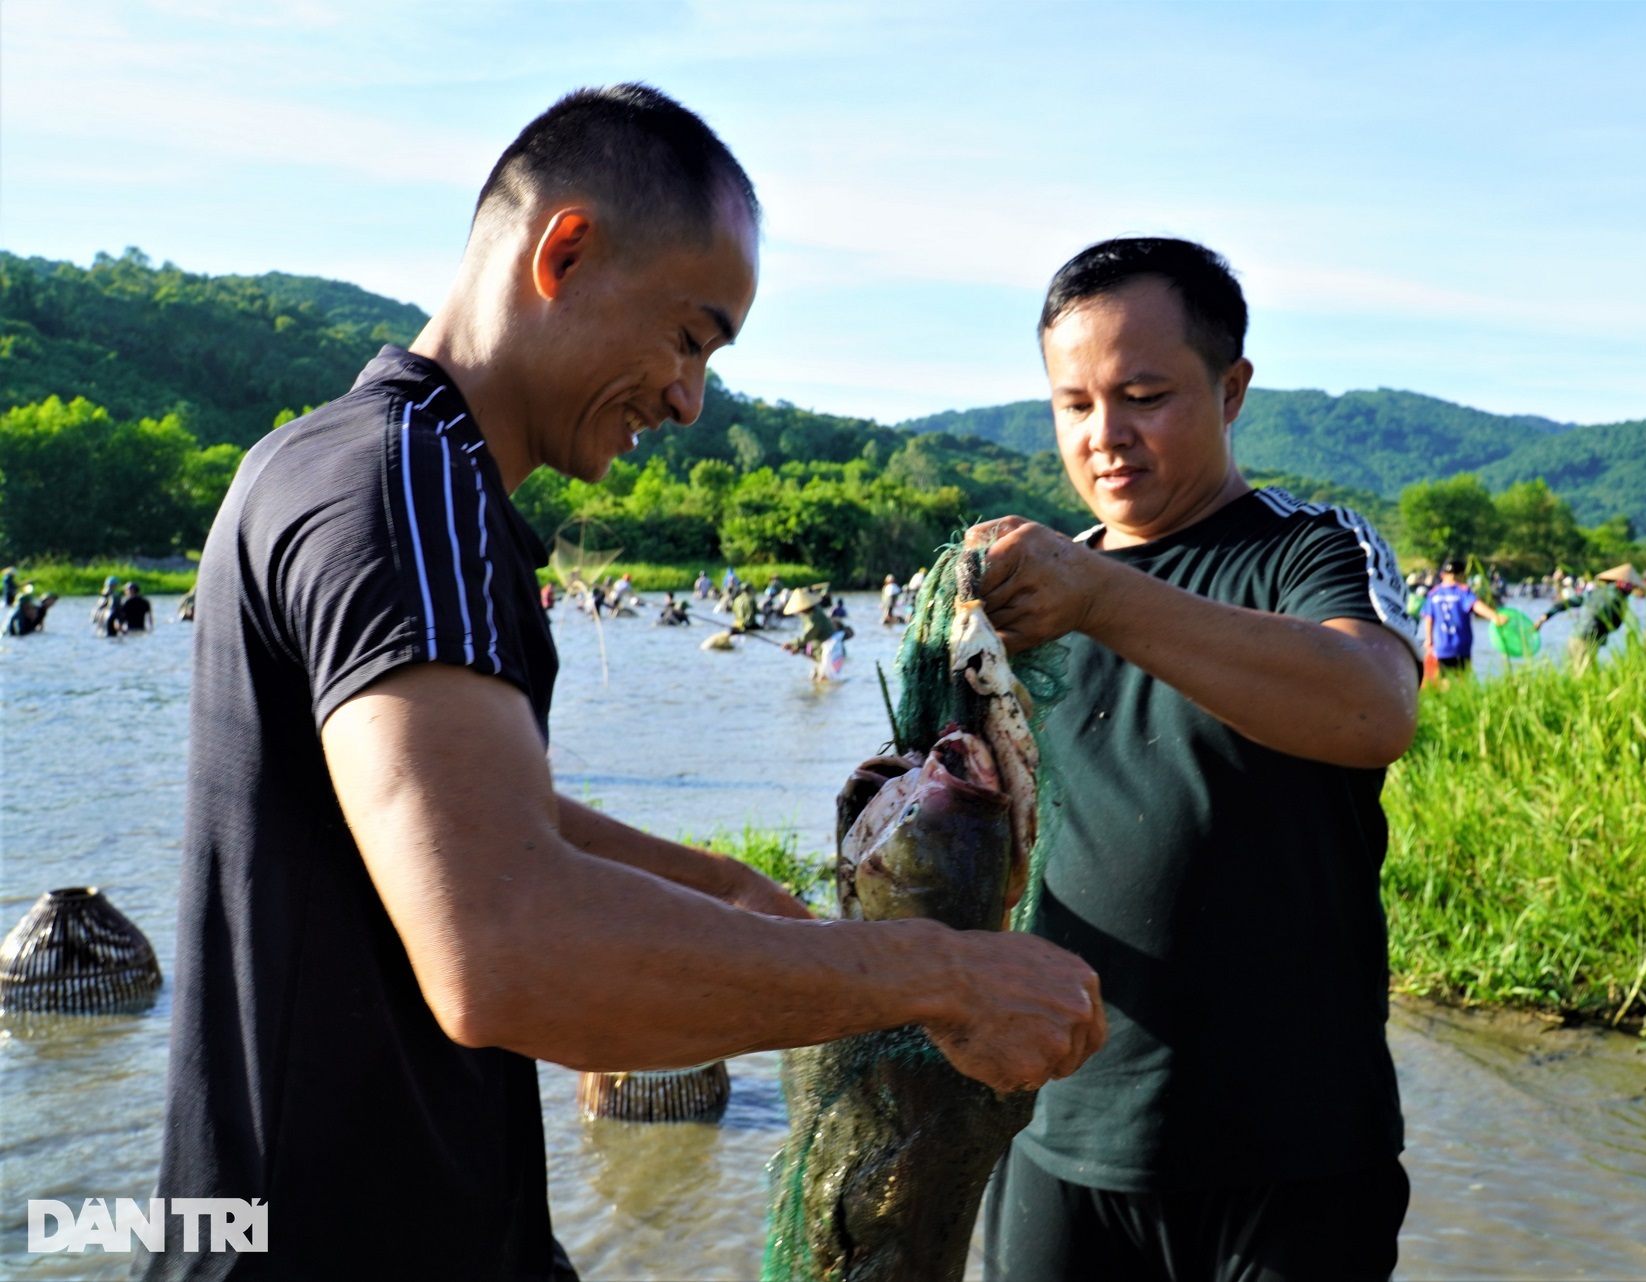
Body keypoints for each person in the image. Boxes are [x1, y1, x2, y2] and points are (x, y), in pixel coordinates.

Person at [145, 84, 1103, 1281]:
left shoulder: (316, 457)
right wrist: (947, 977)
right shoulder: (410, 493)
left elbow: (458, 820)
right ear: (568, 250)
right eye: (690, 337)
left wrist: (711, 882)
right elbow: (506, 950)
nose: (690, 398)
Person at [973, 238, 1419, 1281]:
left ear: (1231, 390)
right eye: (1074, 403)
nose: (1104, 436)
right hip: (1059, 1132)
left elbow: (1371, 708)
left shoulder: (1309, 550)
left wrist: (1099, 597)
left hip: (1293, 1153)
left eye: (1143, 395)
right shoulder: (1029, 595)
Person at [1536, 564, 1640, 674]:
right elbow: (1615, 625)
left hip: (1573, 638)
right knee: (1584, 676)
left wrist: (1544, 618)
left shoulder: (1594, 592)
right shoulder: (1619, 600)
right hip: (1589, 641)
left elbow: (1565, 604)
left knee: (1579, 674)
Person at [1420, 557, 1501, 679]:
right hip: (1461, 645)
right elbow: (1476, 605)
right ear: (1461, 574)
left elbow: (1429, 618)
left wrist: (1428, 640)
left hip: (1441, 645)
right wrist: (1495, 616)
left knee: (1444, 679)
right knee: (1463, 679)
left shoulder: (1434, 594)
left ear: (1443, 574)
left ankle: (1446, 696)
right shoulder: (1463, 591)